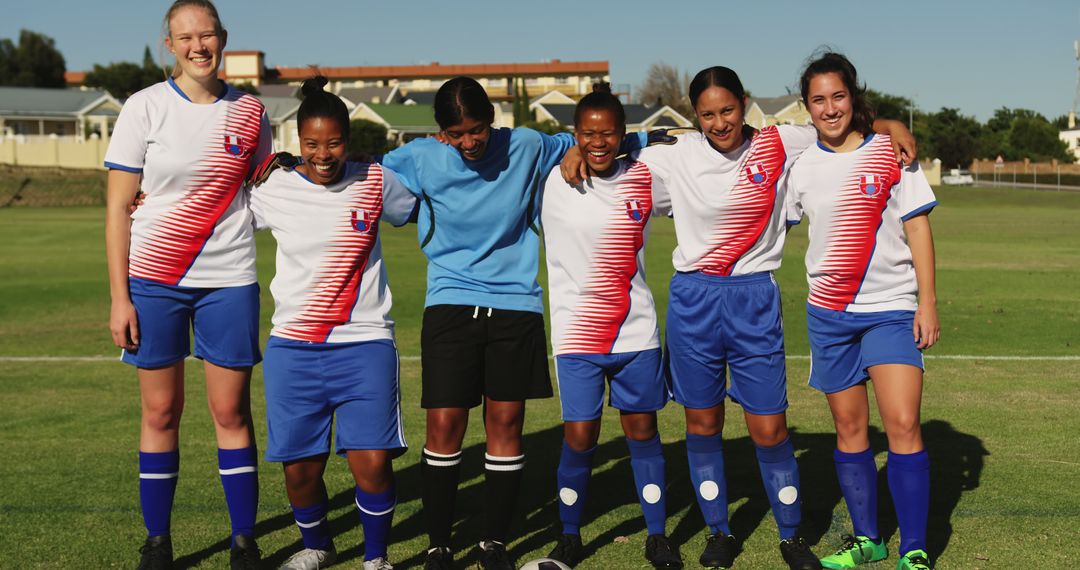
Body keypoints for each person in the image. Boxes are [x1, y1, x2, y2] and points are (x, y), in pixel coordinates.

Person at [562, 65, 916, 570]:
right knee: (703, 423)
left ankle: (792, 539)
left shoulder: (783, 141)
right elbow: (607, 142)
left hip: (754, 299)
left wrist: (891, 126)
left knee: (769, 428)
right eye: (707, 114)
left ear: (744, 103)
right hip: (694, 300)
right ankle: (719, 532)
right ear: (694, 116)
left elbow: (841, 125)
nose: (719, 122)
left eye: (728, 110)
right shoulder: (674, 155)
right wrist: (573, 148)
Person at [378, 77, 649, 570]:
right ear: (441, 133)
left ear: (492, 121)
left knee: (505, 423)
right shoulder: (417, 157)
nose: (469, 142)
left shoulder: (526, 144)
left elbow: (599, 139)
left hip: (515, 304)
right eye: (456, 134)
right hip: (450, 302)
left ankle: (493, 544)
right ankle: (439, 545)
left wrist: (632, 143)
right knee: (444, 424)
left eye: (477, 130)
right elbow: (358, 176)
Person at [103, 1, 271, 568]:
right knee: (160, 413)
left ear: (223, 38)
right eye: (186, 37)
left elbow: (262, 190)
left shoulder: (251, 110)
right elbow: (118, 209)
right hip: (154, 281)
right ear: (168, 45)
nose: (199, 45)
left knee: (232, 413)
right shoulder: (143, 107)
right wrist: (119, 297)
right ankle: (158, 540)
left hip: (230, 277)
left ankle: (243, 539)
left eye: (207, 35)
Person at [247, 76, 416, 570]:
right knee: (300, 471)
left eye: (335, 142)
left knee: (373, 464)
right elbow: (218, 205)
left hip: (364, 345)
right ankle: (316, 545)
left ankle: (376, 557)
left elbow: (422, 204)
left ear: (350, 139)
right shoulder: (271, 186)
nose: (324, 154)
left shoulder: (377, 181)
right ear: (297, 142)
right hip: (294, 350)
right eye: (312, 144)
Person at [784, 52, 938, 570]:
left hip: (891, 309)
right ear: (807, 106)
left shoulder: (892, 154)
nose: (830, 109)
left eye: (838, 96)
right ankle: (867, 540)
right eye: (818, 100)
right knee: (849, 432)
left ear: (854, 95)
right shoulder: (801, 166)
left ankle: (913, 548)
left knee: (902, 423)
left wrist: (928, 302)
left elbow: (918, 228)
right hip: (829, 316)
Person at [540, 84, 680, 569]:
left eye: (608, 134)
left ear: (622, 134)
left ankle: (658, 534)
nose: (597, 143)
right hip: (577, 337)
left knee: (642, 432)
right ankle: (569, 535)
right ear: (573, 134)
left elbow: (687, 153)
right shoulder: (550, 178)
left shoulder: (645, 178)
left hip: (636, 332)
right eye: (587, 134)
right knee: (580, 436)